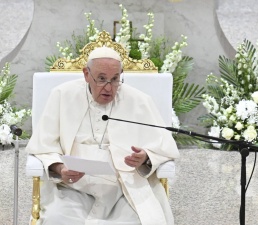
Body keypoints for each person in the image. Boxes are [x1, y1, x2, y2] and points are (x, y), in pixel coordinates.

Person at [26, 46, 180, 225]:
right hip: (73, 189)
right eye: (101, 79)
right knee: (56, 219)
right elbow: (43, 146)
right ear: (86, 75)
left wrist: (145, 157)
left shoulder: (139, 101)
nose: (109, 88)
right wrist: (60, 168)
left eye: (115, 80)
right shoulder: (62, 95)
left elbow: (164, 145)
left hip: (123, 189)